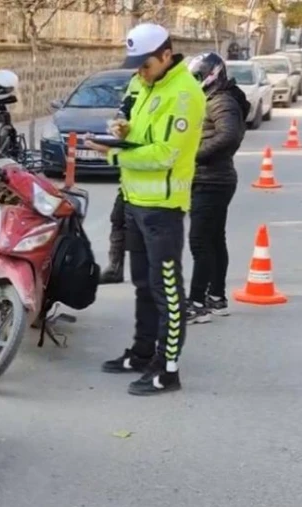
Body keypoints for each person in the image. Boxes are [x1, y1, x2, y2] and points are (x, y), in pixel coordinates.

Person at [85, 23, 206, 396]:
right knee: (141, 284)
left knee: (165, 288)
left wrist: (115, 152)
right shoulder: (143, 83)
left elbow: (166, 153)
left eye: (146, 63)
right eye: (135, 64)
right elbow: (135, 125)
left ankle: (168, 369)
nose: (139, 70)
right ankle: (141, 353)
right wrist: (120, 129)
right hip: (135, 200)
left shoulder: (185, 94)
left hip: (163, 208)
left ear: (167, 55)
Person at [184, 53, 249, 324]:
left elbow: (229, 135)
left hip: (213, 180)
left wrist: (193, 155)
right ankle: (217, 297)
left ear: (213, 74)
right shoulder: (211, 99)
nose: (196, 81)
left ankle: (198, 302)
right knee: (213, 239)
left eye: (199, 76)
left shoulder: (221, 100)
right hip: (211, 178)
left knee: (200, 241)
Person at [99, 73, 142, 285]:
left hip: (151, 169)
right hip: (130, 172)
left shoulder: (168, 90)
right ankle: (115, 268)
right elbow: (124, 109)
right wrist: (119, 124)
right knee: (118, 219)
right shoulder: (136, 80)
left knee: (146, 229)